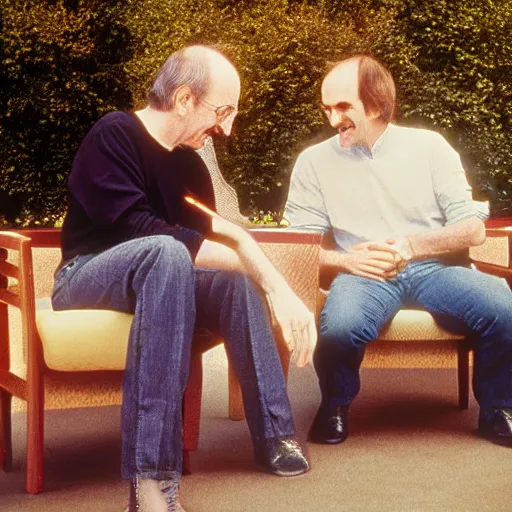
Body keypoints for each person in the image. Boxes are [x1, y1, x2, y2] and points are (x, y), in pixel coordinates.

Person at [52, 45, 316, 512]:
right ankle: (152, 480)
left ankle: (276, 434)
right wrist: (273, 280)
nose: (226, 128)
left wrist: (255, 263)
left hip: (159, 276)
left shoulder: (191, 163)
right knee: (169, 252)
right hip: (85, 277)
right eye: (222, 111)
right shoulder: (114, 133)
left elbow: (208, 235)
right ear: (183, 98)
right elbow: (142, 231)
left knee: (231, 284)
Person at [284, 54, 512, 448]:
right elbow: (298, 247)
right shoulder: (313, 162)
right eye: (326, 108)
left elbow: (472, 229)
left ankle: (497, 408)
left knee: (504, 309)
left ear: (375, 104)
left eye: (343, 107)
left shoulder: (430, 148)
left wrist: (411, 246)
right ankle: (334, 405)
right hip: (364, 272)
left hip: (433, 269)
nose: (332, 119)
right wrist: (346, 259)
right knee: (339, 327)